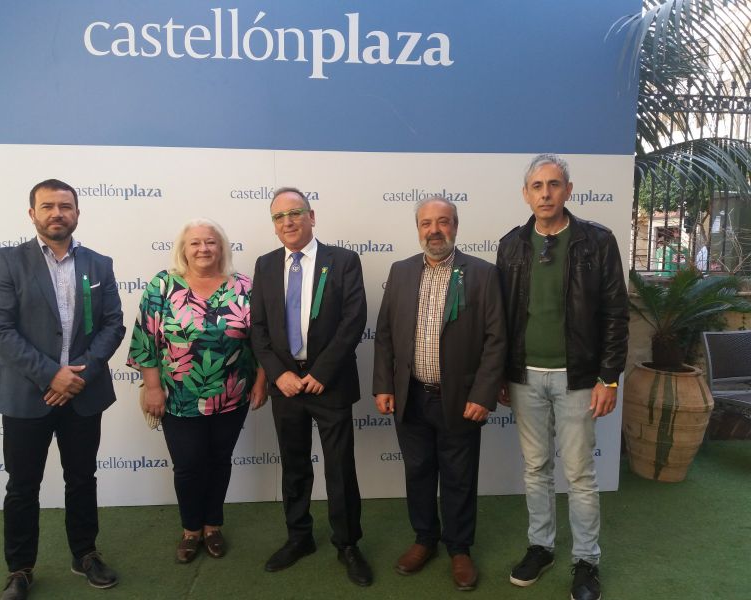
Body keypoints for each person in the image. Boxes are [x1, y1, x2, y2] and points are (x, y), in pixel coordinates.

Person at [0, 179, 125, 600]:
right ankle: (20, 569)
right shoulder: (8, 261)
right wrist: (51, 375)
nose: (57, 213)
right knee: (22, 486)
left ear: (77, 213)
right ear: (32, 214)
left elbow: (113, 324)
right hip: (26, 395)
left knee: (82, 478)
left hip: (84, 393)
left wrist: (79, 375)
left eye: (65, 206)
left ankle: (85, 554)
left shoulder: (99, 264)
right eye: (47, 206)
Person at [496, 154, 629, 600]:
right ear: (526, 194)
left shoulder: (597, 241)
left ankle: (586, 561)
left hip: (579, 379)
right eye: (537, 186)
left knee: (579, 474)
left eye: (554, 184)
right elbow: (501, 317)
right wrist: (501, 373)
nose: (546, 193)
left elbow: (615, 314)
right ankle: (541, 547)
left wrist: (609, 378)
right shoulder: (511, 245)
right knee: (535, 468)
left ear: (568, 191)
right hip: (525, 378)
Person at [372, 196, 507, 592]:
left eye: (443, 222)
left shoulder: (482, 273)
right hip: (410, 395)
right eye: (426, 223)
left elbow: (497, 339)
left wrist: (483, 394)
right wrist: (384, 385)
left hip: (461, 399)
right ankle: (424, 539)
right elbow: (384, 335)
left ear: (455, 226)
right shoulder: (400, 272)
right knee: (417, 472)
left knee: (459, 476)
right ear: (418, 229)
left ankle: (459, 548)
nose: (434, 230)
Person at [250, 187, 372, 586]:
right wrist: (278, 373)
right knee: (294, 466)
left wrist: (322, 372)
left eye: (295, 213)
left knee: (339, 468)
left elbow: (353, 320)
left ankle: (347, 544)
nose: (287, 221)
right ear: (274, 224)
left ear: (311, 216)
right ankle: (299, 537)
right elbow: (258, 329)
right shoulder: (265, 265)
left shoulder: (343, 261)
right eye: (279, 216)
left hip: (329, 383)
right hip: (286, 385)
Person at [127, 218, 267, 564]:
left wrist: (261, 381)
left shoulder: (245, 287)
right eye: (195, 243)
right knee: (188, 465)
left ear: (222, 248)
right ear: (184, 249)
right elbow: (145, 340)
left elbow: (264, 341)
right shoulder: (162, 285)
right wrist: (153, 388)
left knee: (219, 461)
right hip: (178, 397)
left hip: (232, 394)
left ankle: (212, 526)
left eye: (210, 242)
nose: (203, 248)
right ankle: (191, 530)